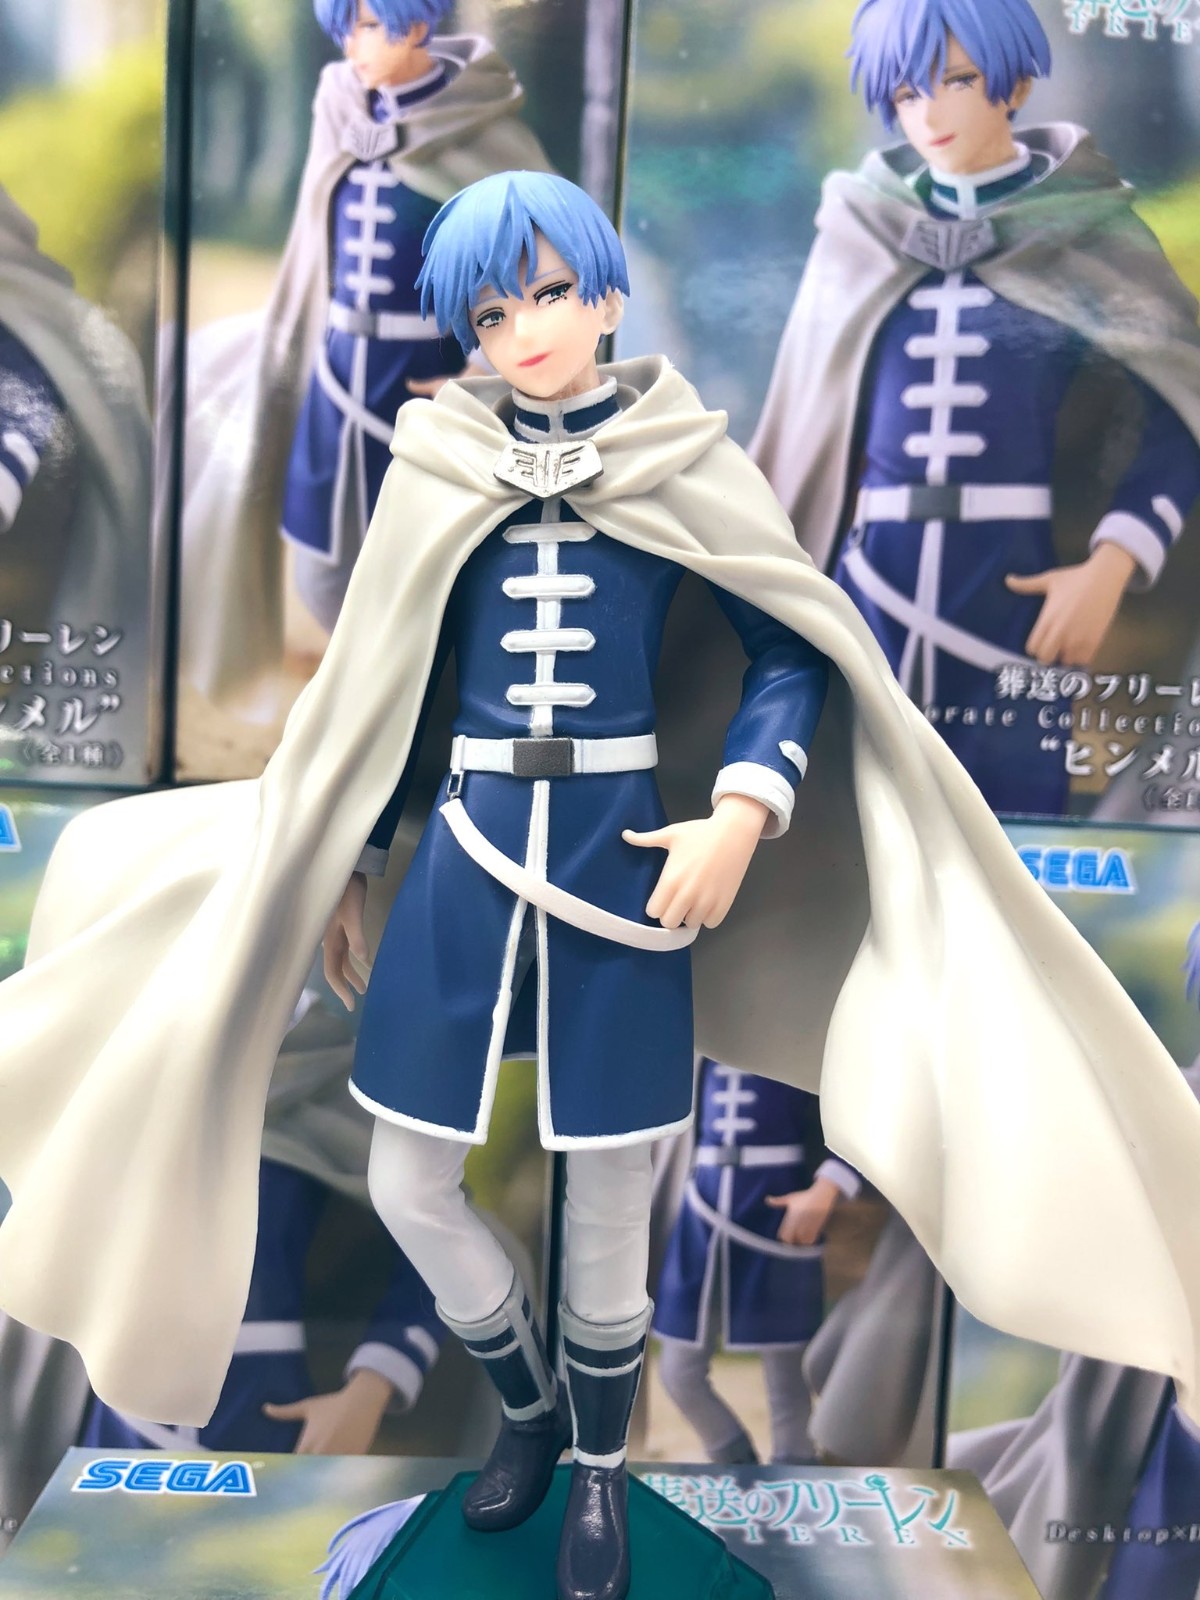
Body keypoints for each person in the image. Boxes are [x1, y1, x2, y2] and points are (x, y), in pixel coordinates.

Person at [1, 173, 1199, 1600]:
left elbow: (788, 644)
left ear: (607, 297)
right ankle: (525, 1404)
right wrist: (354, 860)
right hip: (466, 859)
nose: (525, 331)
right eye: (492, 315)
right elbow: (392, 688)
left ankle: (599, 1466)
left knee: (614, 1198)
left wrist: (743, 810)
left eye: (550, 296)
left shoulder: (683, 459)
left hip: (625, 864)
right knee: (408, 1179)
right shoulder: (438, 464)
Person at [750, 0, 1200, 816]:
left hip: (1014, 589)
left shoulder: (1090, 230)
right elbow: (804, 422)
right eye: (907, 93)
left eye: (957, 81)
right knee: (854, 819)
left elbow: (1179, 414)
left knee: (1015, 818)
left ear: (1016, 85)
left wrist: (1111, 564)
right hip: (866, 583)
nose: (931, 113)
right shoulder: (859, 232)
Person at [180, 0, 553, 712]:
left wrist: (487, 369)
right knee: (321, 570)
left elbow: (535, 263)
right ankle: (366, 701)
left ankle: (411, 711)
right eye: (346, 28)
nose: (354, 45)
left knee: (425, 563)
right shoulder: (340, 112)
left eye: (371, 26)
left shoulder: (483, 131)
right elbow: (311, 246)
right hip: (335, 376)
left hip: (423, 381)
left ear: (415, 25)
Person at [652, 1060, 858, 1465]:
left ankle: (794, 1469)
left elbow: (860, 1109)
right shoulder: (703, 1047)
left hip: (775, 1204)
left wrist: (828, 1186)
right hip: (702, 1209)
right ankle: (735, 1465)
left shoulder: (800, 1043)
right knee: (678, 1369)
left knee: (786, 1374)